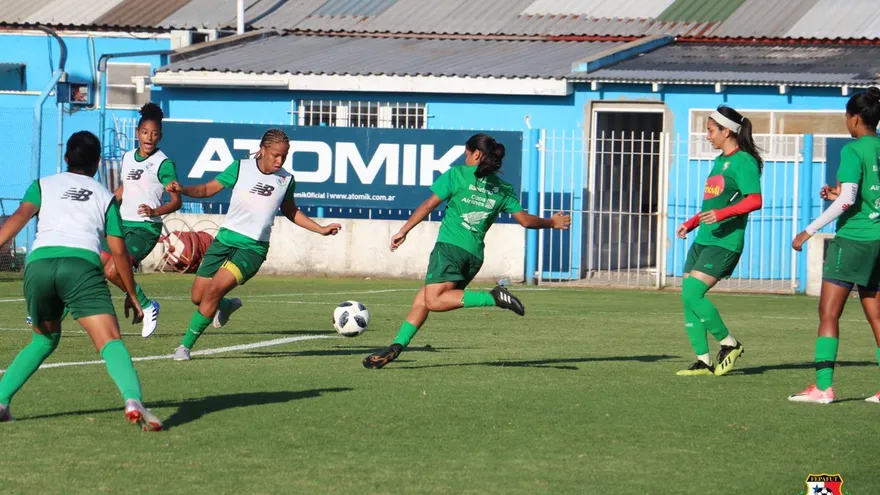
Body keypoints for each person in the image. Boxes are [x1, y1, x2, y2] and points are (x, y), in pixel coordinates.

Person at [363, 133, 571, 369]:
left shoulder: (457, 175)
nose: (464, 156)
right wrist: (551, 222)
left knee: (433, 300)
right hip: (473, 256)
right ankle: (395, 347)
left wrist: (404, 230)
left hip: (450, 249)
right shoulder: (503, 188)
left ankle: (493, 297)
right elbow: (525, 220)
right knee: (423, 299)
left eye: (467, 152)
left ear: (477, 154)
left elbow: (429, 204)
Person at [0, 131, 162, 430]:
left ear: (66, 158)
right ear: (98, 163)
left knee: (44, 338)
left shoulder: (43, 185)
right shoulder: (104, 196)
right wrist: (133, 294)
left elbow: (18, 218)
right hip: (81, 268)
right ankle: (133, 399)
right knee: (110, 341)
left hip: (38, 266)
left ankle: (1, 400)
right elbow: (118, 251)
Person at [165, 129, 342, 361]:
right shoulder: (240, 168)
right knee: (198, 297)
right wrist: (183, 189)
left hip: (253, 248)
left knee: (214, 290)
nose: (280, 160)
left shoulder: (286, 180)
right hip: (225, 240)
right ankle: (225, 306)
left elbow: (291, 211)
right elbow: (208, 189)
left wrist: (320, 229)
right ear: (262, 150)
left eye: (284, 156)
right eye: (275, 155)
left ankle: (185, 346)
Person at [26, 103, 182, 338]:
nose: (150, 137)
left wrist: (155, 210)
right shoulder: (128, 157)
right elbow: (124, 190)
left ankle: (148, 306)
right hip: (121, 222)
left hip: (144, 229)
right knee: (87, 266)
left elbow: (176, 201)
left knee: (111, 271)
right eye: (145, 132)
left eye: (155, 134)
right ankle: (52, 312)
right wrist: (106, 205)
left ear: (161, 136)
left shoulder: (163, 163)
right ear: (137, 132)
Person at [789, 87, 880, 404]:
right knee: (877, 316)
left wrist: (808, 230)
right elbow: (863, 195)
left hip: (853, 240)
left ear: (855, 119)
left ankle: (823, 387)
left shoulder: (853, 151)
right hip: (878, 241)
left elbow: (849, 198)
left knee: (828, 312)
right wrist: (839, 197)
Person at [675, 105, 763, 377]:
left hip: (724, 242)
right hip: (704, 238)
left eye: (711, 130)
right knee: (688, 297)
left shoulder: (744, 161)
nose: (707, 136)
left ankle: (729, 343)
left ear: (727, 131)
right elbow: (716, 203)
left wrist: (722, 214)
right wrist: (693, 222)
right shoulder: (718, 162)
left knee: (692, 293)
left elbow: (755, 200)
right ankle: (702, 361)